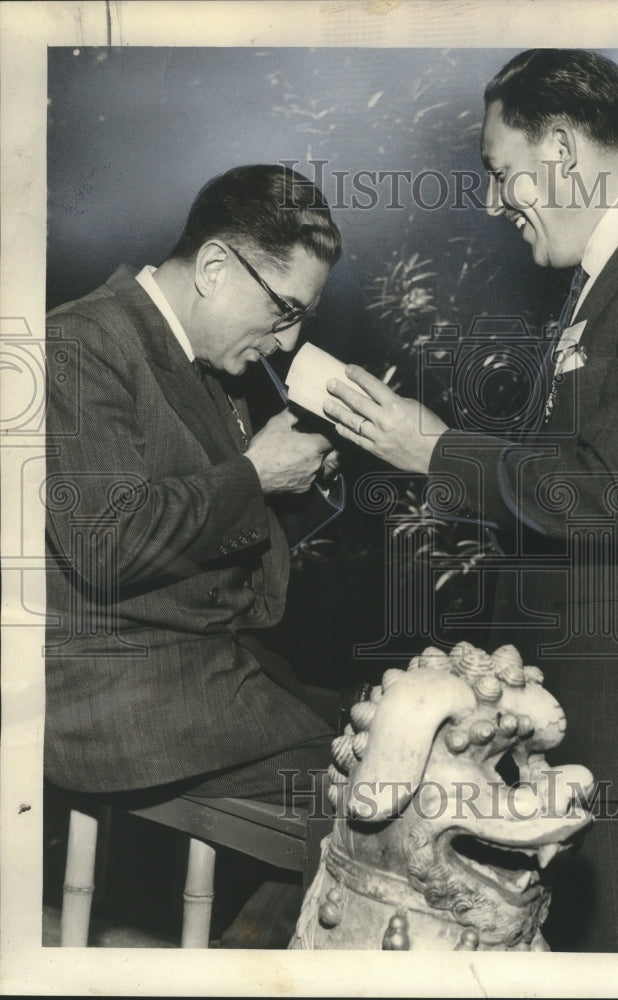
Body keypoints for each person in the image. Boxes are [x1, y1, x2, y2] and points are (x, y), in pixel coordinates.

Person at [323, 49, 618, 952]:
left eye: (500, 171)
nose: (492, 200)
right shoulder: (612, 272)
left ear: (560, 148)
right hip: (597, 690)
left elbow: (603, 498)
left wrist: (433, 449)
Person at [45, 164, 344, 947]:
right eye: (284, 309)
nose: (290, 339)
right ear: (215, 268)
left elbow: (227, 550)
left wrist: (294, 480)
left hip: (190, 670)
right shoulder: (80, 342)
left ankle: (250, 960)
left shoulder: (207, 365)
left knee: (377, 743)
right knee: (374, 795)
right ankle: (258, 965)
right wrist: (254, 474)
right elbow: (109, 543)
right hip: (110, 694)